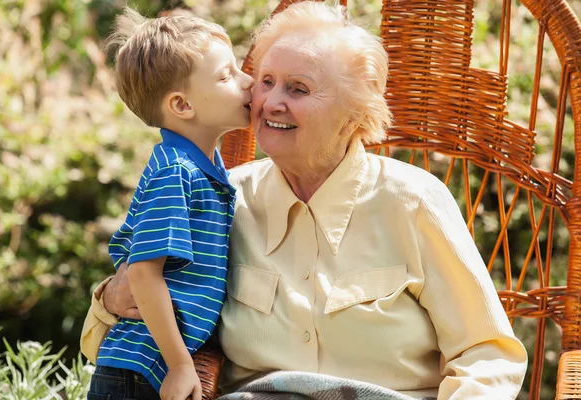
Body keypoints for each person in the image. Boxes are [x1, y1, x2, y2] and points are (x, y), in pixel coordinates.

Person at [82, 2, 527, 399]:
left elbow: (487, 355)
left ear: (355, 111)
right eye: (267, 81)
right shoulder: (220, 199)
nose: (270, 101)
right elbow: (120, 320)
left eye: (297, 89)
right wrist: (110, 299)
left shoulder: (412, 201)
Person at [82, 7, 254, 400]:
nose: (248, 82)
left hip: (151, 363)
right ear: (182, 106)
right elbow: (143, 274)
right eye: (227, 75)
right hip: (141, 369)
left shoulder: (205, 165)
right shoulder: (176, 171)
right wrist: (179, 365)